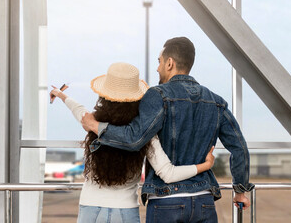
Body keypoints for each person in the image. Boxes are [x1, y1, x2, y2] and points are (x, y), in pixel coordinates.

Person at [82, 37, 255, 223]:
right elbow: (240, 148)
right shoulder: (217, 102)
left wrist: (95, 126)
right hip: (204, 199)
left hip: (166, 200)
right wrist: (240, 191)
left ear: (170, 63)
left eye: (159, 61)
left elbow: (134, 139)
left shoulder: (158, 95)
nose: (158, 68)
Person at [49, 62, 215, 223]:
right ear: (137, 99)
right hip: (125, 210)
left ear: (104, 96)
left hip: (90, 207)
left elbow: (78, 109)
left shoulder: (93, 123)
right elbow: (168, 173)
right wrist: (205, 166)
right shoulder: (144, 134)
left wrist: (59, 94)